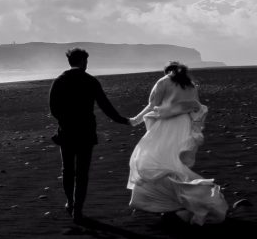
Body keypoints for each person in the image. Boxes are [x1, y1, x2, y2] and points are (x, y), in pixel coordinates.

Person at [127, 61, 228, 225]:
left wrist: (135, 120)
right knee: (175, 163)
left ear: (167, 71)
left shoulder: (164, 81)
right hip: (185, 125)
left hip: (168, 125)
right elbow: (197, 108)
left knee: (154, 160)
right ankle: (180, 202)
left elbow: (152, 104)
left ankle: (173, 203)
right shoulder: (190, 84)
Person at [49, 48, 131, 223]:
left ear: (69, 62)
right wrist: (123, 120)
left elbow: (54, 109)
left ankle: (70, 202)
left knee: (67, 170)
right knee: (82, 173)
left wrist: (65, 120)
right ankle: (77, 210)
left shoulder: (59, 81)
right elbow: (105, 106)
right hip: (86, 132)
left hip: (66, 132)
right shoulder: (91, 81)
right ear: (84, 62)